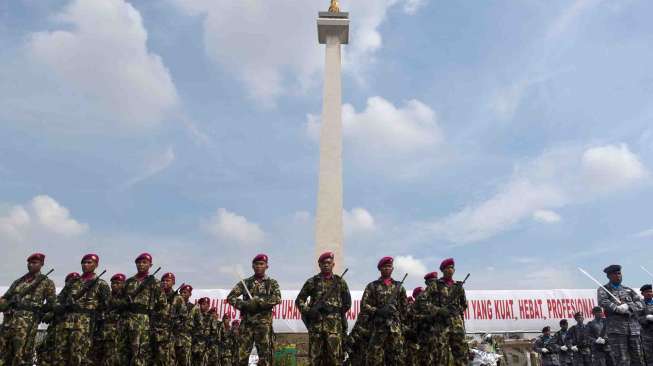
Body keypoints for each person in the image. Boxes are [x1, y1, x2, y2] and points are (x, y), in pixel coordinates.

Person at [295, 251, 352, 366]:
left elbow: (347, 303)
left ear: (333, 264)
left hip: (334, 329)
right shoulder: (312, 281)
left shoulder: (340, 282)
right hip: (316, 327)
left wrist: (334, 312)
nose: (326, 265)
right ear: (319, 265)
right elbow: (299, 300)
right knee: (315, 359)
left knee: (335, 359)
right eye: (323, 263)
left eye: (328, 263)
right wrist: (309, 311)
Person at [0, 253, 56, 366]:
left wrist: (42, 312)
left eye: (34, 263)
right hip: (9, 322)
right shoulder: (18, 281)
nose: (30, 265)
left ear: (41, 264)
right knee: (4, 353)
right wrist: (5, 304)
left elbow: (52, 303)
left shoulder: (47, 282)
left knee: (22, 355)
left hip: (27, 325)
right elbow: (5, 298)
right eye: (29, 263)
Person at [227, 254, 281, 366]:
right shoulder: (245, 282)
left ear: (267, 266)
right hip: (247, 325)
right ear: (252, 266)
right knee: (241, 357)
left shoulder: (272, 283)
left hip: (264, 326)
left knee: (265, 358)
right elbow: (231, 297)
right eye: (256, 264)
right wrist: (246, 305)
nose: (259, 266)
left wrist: (259, 302)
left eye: (262, 264)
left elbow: (277, 298)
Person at [55, 253, 110, 365]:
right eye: (84, 262)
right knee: (60, 355)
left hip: (85, 324)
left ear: (96, 264)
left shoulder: (101, 284)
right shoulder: (73, 282)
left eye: (89, 262)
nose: (85, 265)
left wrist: (99, 322)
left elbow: (107, 305)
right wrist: (60, 308)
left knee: (79, 356)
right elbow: (59, 299)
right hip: (66, 321)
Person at [361, 256, 407, 366]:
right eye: (384, 266)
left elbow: (404, 308)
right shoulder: (372, 286)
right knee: (375, 357)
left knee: (396, 358)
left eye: (389, 266)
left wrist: (400, 323)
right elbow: (364, 305)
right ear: (380, 269)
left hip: (395, 328)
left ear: (392, 269)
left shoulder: (399, 287)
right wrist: (376, 311)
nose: (387, 268)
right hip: (378, 327)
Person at [123, 253, 166, 366]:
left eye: (144, 262)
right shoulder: (129, 281)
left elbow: (162, 304)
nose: (141, 264)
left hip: (145, 321)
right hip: (128, 320)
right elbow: (122, 301)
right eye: (138, 262)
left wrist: (155, 320)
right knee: (126, 351)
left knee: (141, 353)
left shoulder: (155, 282)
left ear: (150, 265)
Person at [598, 264, 645, 365]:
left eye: (619, 273)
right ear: (609, 276)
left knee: (638, 359)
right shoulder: (604, 289)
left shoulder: (628, 290)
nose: (618, 275)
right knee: (622, 360)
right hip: (617, 330)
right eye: (615, 274)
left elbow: (641, 304)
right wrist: (617, 308)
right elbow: (603, 302)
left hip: (634, 330)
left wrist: (628, 306)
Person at [38, 272, 80, 366]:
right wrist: (50, 313)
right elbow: (52, 306)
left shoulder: (81, 297)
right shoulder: (61, 297)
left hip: (72, 331)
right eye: (70, 282)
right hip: (55, 331)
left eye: (75, 282)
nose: (72, 284)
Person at [436, 258, 468, 366]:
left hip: (456, 324)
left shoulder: (458, 287)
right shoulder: (436, 285)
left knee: (461, 354)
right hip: (442, 325)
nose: (450, 270)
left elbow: (464, 305)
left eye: (452, 268)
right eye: (447, 268)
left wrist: (457, 312)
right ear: (443, 270)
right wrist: (439, 310)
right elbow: (425, 303)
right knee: (442, 356)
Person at [99, 273, 128, 366]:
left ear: (124, 284)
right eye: (113, 283)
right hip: (105, 332)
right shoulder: (107, 297)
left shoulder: (127, 297)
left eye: (118, 283)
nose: (114, 285)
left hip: (120, 332)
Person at [154, 272, 177, 366]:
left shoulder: (177, 298)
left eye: (168, 281)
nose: (165, 282)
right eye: (163, 281)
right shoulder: (156, 295)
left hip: (168, 334)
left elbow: (184, 317)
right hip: (154, 331)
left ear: (173, 282)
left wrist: (173, 325)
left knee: (167, 359)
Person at [173, 284, 195, 366]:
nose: (183, 294)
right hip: (174, 337)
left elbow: (199, 324)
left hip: (186, 339)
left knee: (185, 362)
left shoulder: (193, 307)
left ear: (190, 294)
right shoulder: (174, 305)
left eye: (186, 292)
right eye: (181, 292)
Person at [404, 286, 424, 366]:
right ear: (416, 296)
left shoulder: (427, 306)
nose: (424, 296)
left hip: (424, 340)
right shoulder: (410, 307)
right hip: (413, 341)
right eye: (421, 294)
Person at [191, 297, 213, 366]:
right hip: (195, 345)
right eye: (202, 304)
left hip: (205, 346)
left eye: (206, 304)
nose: (204, 306)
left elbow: (213, 332)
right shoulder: (196, 314)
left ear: (209, 306)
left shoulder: (210, 317)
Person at [639, 284, 653, 366]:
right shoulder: (640, 304)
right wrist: (646, 318)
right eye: (647, 292)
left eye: (650, 291)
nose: (649, 293)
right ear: (642, 294)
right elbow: (638, 317)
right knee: (649, 358)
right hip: (647, 336)